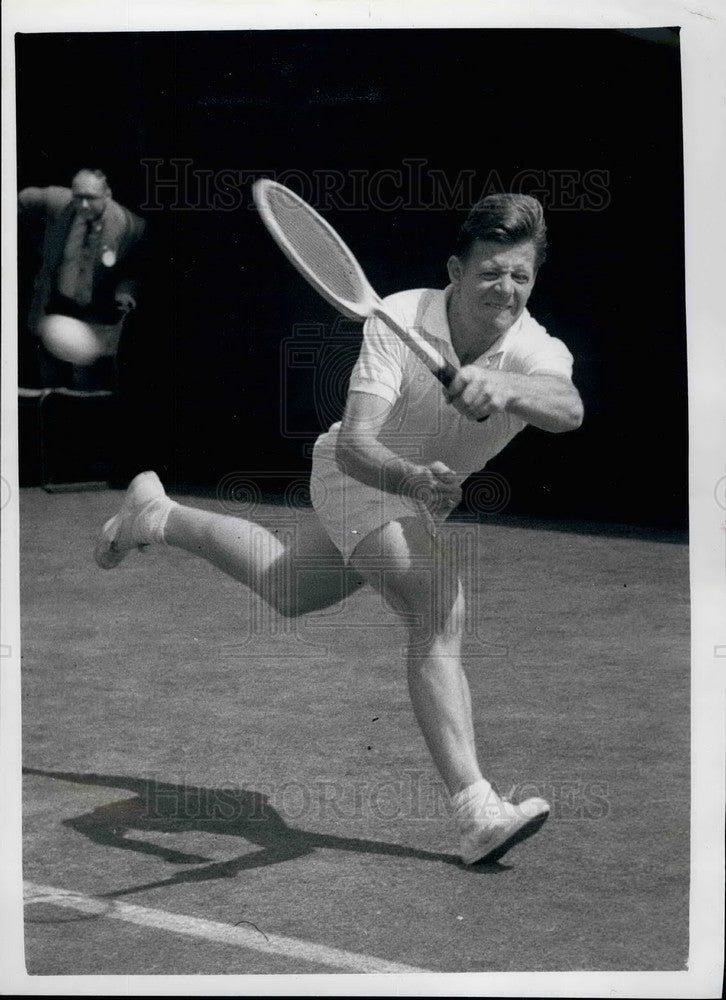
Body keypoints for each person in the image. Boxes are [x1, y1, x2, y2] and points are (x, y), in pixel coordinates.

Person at [94, 193, 583, 866]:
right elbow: (356, 443)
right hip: (358, 477)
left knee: (287, 585)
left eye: (520, 276)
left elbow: (570, 409)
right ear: (455, 270)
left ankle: (156, 514)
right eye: (491, 272)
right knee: (437, 606)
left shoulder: (534, 347)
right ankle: (475, 810)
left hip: (416, 498)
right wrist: (412, 480)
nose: (506, 289)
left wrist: (505, 391)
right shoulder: (397, 318)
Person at [18, 168, 147, 391]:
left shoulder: (131, 227)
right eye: (78, 197)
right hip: (55, 309)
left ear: (107, 194)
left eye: (91, 198)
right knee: (50, 384)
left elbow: (134, 270)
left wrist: (126, 292)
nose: (83, 205)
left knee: (86, 389)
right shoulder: (57, 201)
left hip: (96, 316)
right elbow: (22, 199)